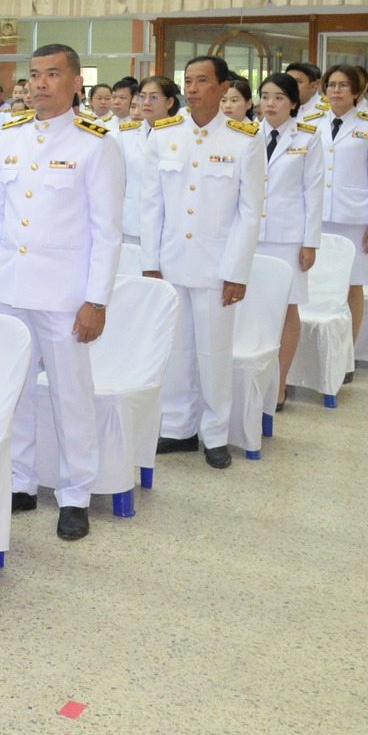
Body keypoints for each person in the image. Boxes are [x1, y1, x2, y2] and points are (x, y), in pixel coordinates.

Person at [0, 43, 122, 542]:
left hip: (64, 294)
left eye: (51, 75)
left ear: (77, 82)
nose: (39, 84)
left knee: (70, 393)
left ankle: (76, 492)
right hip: (11, 287)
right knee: (12, 390)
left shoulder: (95, 143)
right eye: (34, 75)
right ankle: (21, 480)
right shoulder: (7, 134)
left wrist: (96, 299)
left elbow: (107, 232)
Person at [143, 56, 264, 469]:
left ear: (223, 86)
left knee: (213, 352)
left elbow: (250, 213)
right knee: (175, 351)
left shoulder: (244, 139)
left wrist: (237, 270)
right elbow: (151, 205)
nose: (192, 89)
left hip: (216, 266)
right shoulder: (163, 135)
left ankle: (214, 434)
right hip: (171, 260)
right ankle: (178, 428)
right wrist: (150, 262)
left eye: (202, 81)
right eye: (188, 81)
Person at [254, 74, 324, 409]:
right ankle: (252, 380)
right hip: (251, 236)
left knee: (287, 307)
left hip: (288, 237)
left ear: (294, 103)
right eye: (265, 96)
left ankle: (279, 384)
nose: (270, 104)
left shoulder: (308, 137)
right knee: (251, 306)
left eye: (279, 97)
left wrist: (310, 242)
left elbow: (314, 192)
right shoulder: (247, 133)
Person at [313, 64, 368, 344]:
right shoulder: (312, 122)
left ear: (356, 91)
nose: (336, 90)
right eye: (332, 85)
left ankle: (348, 354)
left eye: (344, 85)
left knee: (353, 285)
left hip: (355, 218)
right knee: (320, 284)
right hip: (319, 216)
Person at [120, 76, 179, 248]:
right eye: (141, 96)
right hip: (132, 224)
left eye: (153, 97)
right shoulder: (125, 136)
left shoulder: (181, 136)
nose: (145, 102)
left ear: (169, 102)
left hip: (169, 226)